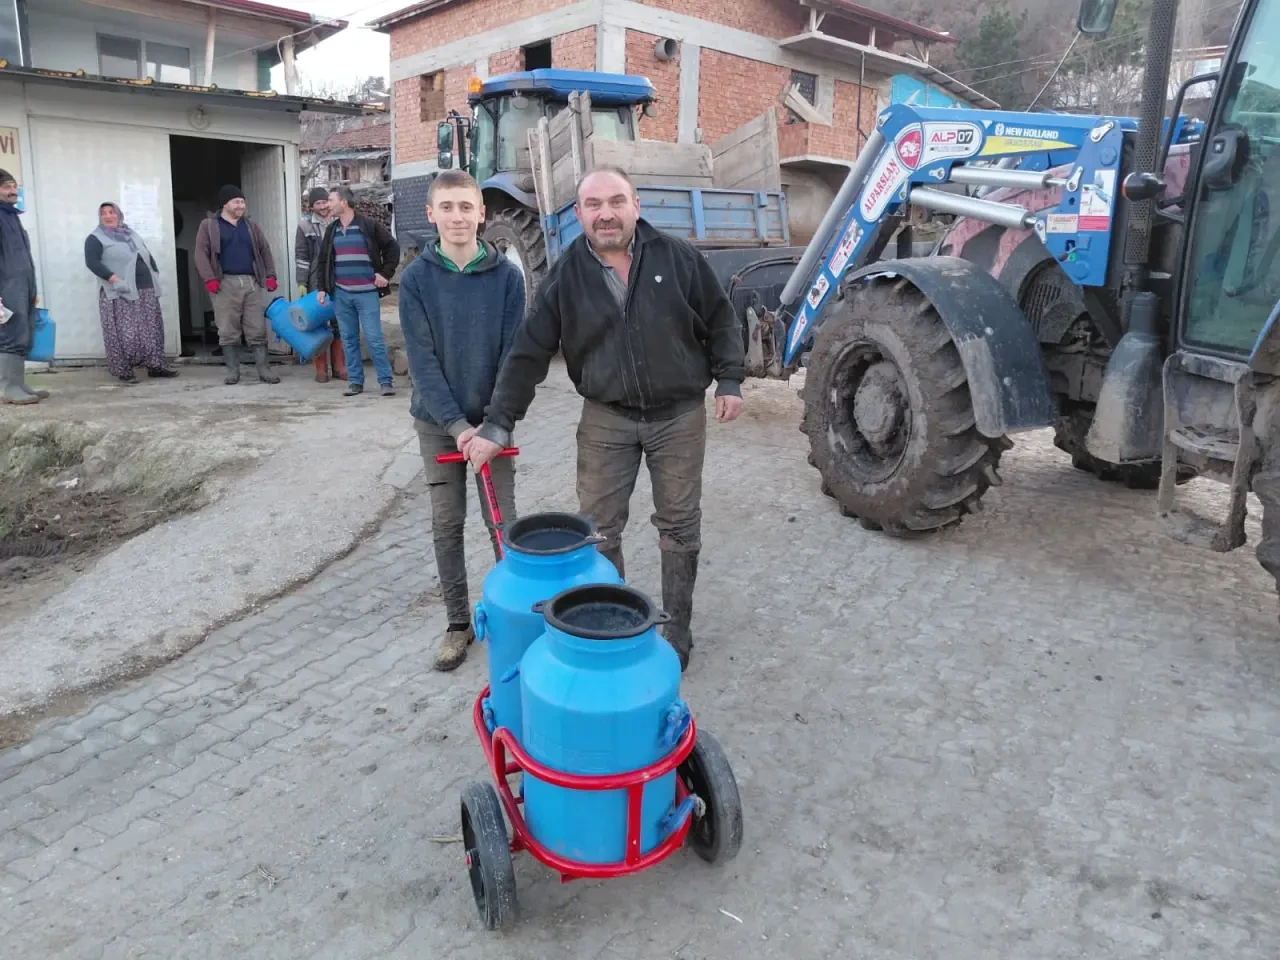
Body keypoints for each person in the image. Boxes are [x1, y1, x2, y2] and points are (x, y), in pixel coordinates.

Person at [463, 166, 745, 671]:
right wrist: (498, 422)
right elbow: (528, 352)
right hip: (606, 419)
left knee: (679, 527)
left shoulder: (678, 259)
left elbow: (721, 318)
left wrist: (729, 379)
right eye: (594, 205)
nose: (606, 214)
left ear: (636, 205)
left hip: (678, 417)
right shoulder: (566, 276)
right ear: (579, 215)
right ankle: (612, 625)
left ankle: (676, 628)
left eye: (616, 202)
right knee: (598, 531)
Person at [399, 169, 525, 671]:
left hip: (493, 424)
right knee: (448, 522)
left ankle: (513, 616)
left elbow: (515, 357)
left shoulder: (508, 278)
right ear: (431, 214)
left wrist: (494, 425)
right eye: (446, 207)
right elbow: (422, 361)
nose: (457, 217)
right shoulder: (416, 279)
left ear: (482, 213)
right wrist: (456, 427)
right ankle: (457, 623)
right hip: (438, 423)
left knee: (504, 524)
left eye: (466, 207)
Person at [311, 186, 400, 398]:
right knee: (349, 339)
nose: (327, 204)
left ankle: (385, 381)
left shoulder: (368, 225)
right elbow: (323, 261)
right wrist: (322, 288)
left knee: (373, 338)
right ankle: (355, 382)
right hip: (342, 294)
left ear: (344, 203)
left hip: (367, 292)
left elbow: (392, 248)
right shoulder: (332, 230)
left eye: (331, 200)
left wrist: (385, 274)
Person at [194, 184, 281, 385]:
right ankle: (233, 372)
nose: (241, 205)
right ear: (225, 204)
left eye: (242, 201)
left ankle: (264, 370)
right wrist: (210, 279)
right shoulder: (209, 225)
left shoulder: (251, 226)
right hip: (224, 283)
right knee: (227, 329)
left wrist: (270, 275)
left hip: (251, 282)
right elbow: (200, 254)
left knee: (257, 327)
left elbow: (265, 250)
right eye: (236, 201)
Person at [84, 202, 178, 385]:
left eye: (112, 212)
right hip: (119, 291)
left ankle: (155, 366)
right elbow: (92, 262)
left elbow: (146, 254)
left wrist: (155, 271)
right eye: (103, 213)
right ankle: (123, 370)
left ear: (119, 214)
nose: (108, 216)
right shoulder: (96, 238)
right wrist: (113, 279)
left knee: (152, 329)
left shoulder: (131, 234)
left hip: (145, 288)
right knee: (124, 333)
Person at [0, 168, 46, 405]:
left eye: (14, 186)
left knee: (22, 332)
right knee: (9, 334)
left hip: (21, 285)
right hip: (5, 287)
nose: (12, 191)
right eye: (6, 187)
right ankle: (7, 387)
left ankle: (18, 383)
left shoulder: (11, 216)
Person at [295, 186, 344, 383]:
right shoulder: (305, 226)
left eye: (325, 202)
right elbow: (302, 256)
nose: (323, 206)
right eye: (318, 203)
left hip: (339, 279)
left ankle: (340, 367)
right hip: (316, 280)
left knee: (339, 323)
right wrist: (301, 282)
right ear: (312, 206)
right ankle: (321, 369)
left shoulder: (340, 221)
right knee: (318, 324)